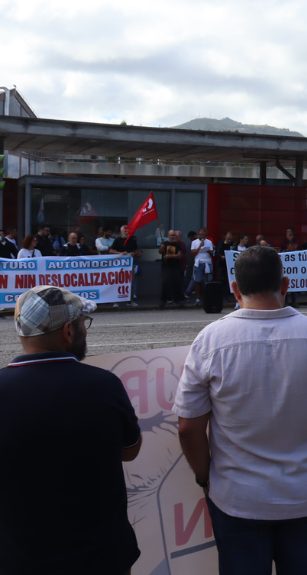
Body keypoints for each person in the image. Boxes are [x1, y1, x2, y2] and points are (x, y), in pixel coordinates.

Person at [174, 246, 307, 574]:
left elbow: (188, 427)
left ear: (235, 289)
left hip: (237, 497)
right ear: (285, 285)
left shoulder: (210, 340)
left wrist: (204, 476)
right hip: (305, 496)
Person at [0, 286, 141, 575]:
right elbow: (131, 450)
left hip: (18, 558)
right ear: (68, 332)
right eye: (82, 324)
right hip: (101, 558)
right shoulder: (104, 385)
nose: (84, 331)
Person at [109, 225, 142, 308]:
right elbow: (111, 251)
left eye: (128, 231)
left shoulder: (132, 240)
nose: (127, 233)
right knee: (118, 282)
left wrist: (134, 254)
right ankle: (116, 301)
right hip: (119, 265)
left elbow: (137, 252)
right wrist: (120, 253)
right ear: (121, 232)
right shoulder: (118, 240)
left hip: (130, 265)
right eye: (125, 231)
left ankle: (130, 301)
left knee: (131, 282)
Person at [159, 230, 187, 308]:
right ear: (168, 235)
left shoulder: (178, 245)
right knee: (165, 283)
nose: (173, 237)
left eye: (174, 235)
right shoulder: (164, 243)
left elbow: (179, 255)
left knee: (177, 283)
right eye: (172, 235)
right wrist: (161, 248)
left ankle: (177, 300)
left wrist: (169, 256)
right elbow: (160, 252)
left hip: (176, 267)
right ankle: (163, 300)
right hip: (166, 267)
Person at [190, 227, 215, 306]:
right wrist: (200, 247)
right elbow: (193, 253)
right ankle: (198, 298)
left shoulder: (209, 242)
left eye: (203, 236)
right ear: (198, 235)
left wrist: (207, 250)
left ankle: (208, 297)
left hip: (207, 263)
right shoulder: (194, 242)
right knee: (198, 280)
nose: (202, 237)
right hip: (198, 262)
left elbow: (212, 253)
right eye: (200, 236)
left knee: (208, 281)